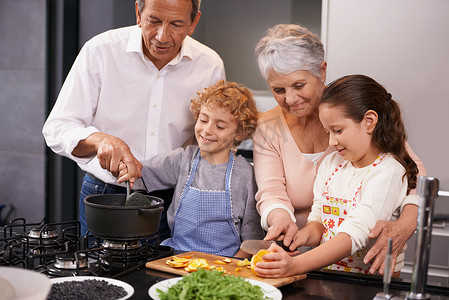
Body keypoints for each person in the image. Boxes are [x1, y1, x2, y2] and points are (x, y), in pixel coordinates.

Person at [42, 0, 225, 240]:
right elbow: (57, 128)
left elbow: (213, 143)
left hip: (173, 198)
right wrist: (101, 141)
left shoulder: (209, 65)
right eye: (154, 21)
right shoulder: (101, 51)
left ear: (193, 23)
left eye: (176, 24)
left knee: (166, 277)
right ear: (138, 13)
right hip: (106, 194)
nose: (162, 36)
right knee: (100, 276)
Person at [252, 24, 425, 275]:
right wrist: (283, 222)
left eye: (299, 85)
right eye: (279, 90)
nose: (290, 99)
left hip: (361, 270)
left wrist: (407, 224)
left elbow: (411, 173)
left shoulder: (352, 114)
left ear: (321, 71)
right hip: (307, 262)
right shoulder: (324, 159)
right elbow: (273, 193)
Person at [117, 80, 264, 258]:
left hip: (224, 266)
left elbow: (252, 239)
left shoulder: (245, 174)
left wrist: (230, 269)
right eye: (203, 120)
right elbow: (140, 172)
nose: (207, 130)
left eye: (220, 126)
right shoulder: (183, 159)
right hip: (176, 260)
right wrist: (123, 162)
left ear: (240, 132)